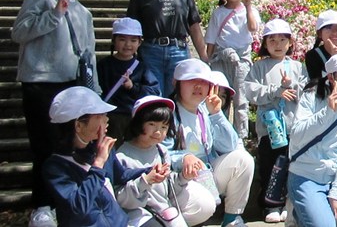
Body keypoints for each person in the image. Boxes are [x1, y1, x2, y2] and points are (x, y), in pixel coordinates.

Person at [12, 0, 98, 227]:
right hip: (40, 82)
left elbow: (89, 54)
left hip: (71, 85)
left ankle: (68, 202)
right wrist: (53, 14)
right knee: (44, 146)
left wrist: (93, 91)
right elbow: (19, 32)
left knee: (70, 147)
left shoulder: (84, 12)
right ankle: (43, 205)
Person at [165, 59, 254, 227]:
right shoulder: (167, 114)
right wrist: (183, 157)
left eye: (204, 82)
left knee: (243, 159)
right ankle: (170, 220)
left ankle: (232, 219)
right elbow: (159, 152)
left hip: (206, 175)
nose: (198, 87)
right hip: (180, 179)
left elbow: (230, 146)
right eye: (191, 81)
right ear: (177, 83)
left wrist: (217, 114)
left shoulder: (205, 111)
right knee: (205, 206)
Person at [42, 86, 148, 227]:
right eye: (99, 116)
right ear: (78, 125)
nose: (106, 119)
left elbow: (121, 175)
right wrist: (98, 163)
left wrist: (149, 171)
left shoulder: (99, 148)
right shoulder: (55, 167)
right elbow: (78, 207)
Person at [288, 53, 337, 227]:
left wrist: (336, 193)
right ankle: (301, 213)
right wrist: (327, 113)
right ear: (332, 77)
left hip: (336, 179)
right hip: (305, 176)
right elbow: (296, 135)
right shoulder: (311, 98)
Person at [116, 95, 216, 227]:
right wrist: (145, 181)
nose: (158, 132)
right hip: (139, 215)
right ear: (138, 123)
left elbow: (168, 188)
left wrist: (183, 177)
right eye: (151, 124)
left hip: (164, 211)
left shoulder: (161, 151)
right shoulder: (122, 157)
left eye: (164, 127)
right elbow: (120, 198)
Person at [245, 19, 309, 222]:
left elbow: (308, 91)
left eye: (283, 39)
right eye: (272, 40)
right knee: (270, 166)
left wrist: (291, 88)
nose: (278, 44)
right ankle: (270, 205)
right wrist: (276, 91)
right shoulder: (259, 67)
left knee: (293, 166)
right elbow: (250, 91)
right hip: (270, 129)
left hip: (294, 128)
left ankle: (289, 202)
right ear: (265, 43)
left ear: (290, 43)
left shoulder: (298, 66)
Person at [127, 0, 206, 98]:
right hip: (150, 50)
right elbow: (132, 29)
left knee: (179, 95)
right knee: (152, 94)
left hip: (179, 50)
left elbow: (194, 26)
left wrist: (203, 56)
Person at [205, 0, 259, 139]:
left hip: (242, 60)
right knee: (220, 98)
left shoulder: (248, 11)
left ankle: (240, 137)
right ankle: (219, 135)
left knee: (241, 100)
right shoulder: (218, 13)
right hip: (221, 59)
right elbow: (211, 40)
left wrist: (249, 6)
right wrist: (207, 63)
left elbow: (253, 27)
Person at [98, 17, 160, 142]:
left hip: (133, 118)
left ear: (139, 43)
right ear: (114, 40)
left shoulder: (142, 67)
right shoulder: (103, 65)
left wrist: (133, 87)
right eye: (122, 39)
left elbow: (154, 91)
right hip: (109, 118)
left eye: (133, 40)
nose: (128, 45)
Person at [305, 10, 337, 81]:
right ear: (319, 33)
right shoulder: (313, 56)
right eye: (329, 27)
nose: (334, 31)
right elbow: (318, 84)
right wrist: (333, 59)